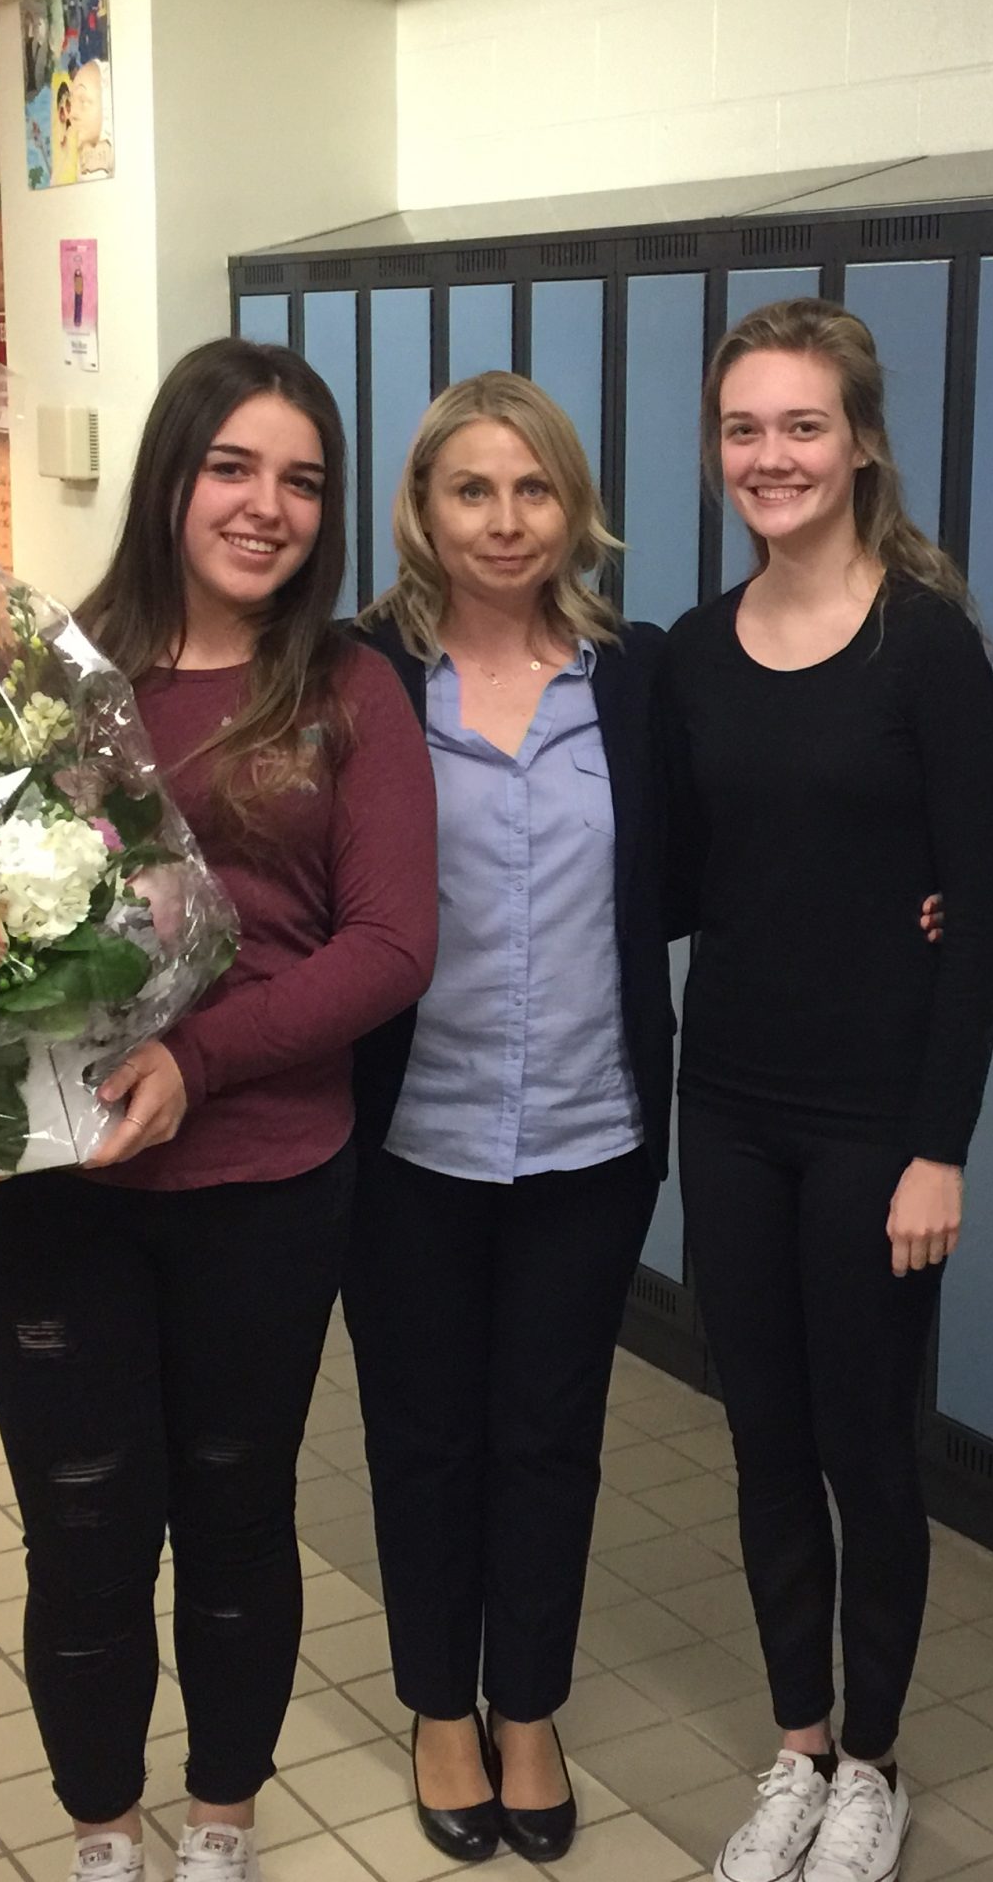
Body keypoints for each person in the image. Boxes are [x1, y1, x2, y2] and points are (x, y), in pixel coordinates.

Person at [0, 338, 439, 1882]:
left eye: (303, 481)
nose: (268, 506)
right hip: (56, 1191)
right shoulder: (42, 676)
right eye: (233, 467)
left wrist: (202, 1060)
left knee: (239, 1513)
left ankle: (221, 1823)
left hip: (267, 1178)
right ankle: (105, 1835)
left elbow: (393, 946)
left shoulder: (348, 692)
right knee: (81, 1530)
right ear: (171, 478)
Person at [664, 298, 993, 1882]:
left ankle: (874, 1763)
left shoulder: (923, 644)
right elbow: (679, 884)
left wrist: (940, 1148)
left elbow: (982, 916)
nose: (771, 456)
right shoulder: (692, 652)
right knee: (761, 1441)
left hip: (876, 1124)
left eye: (803, 425)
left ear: (860, 441)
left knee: (865, 1448)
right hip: (729, 1106)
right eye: (744, 429)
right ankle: (797, 1745)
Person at [341, 372, 671, 1868]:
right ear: (421, 506)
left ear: (573, 506)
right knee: (423, 1437)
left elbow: (716, 853)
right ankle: (439, 1707)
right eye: (471, 489)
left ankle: (526, 1707)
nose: (505, 520)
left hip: (590, 1132)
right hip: (409, 1132)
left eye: (534, 488)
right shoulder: (359, 676)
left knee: (550, 1436)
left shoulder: (636, 681)